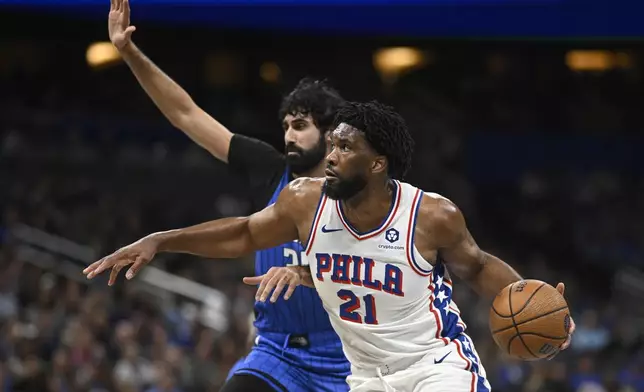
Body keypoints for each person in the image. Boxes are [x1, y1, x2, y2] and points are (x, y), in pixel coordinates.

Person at [83, 101, 576, 391]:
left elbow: (479, 266)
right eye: (332, 146)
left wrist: (543, 305)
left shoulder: (431, 215)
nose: (331, 157)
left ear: (378, 163)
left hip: (435, 368)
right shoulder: (303, 202)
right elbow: (244, 234)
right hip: (362, 377)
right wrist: (161, 240)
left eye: (344, 149)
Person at [106, 1, 350, 391]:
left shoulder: (362, 196)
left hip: (349, 360)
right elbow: (186, 114)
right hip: (277, 355)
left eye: (300, 125)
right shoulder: (271, 169)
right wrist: (129, 52)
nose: (288, 135)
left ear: (331, 132)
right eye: (286, 125)